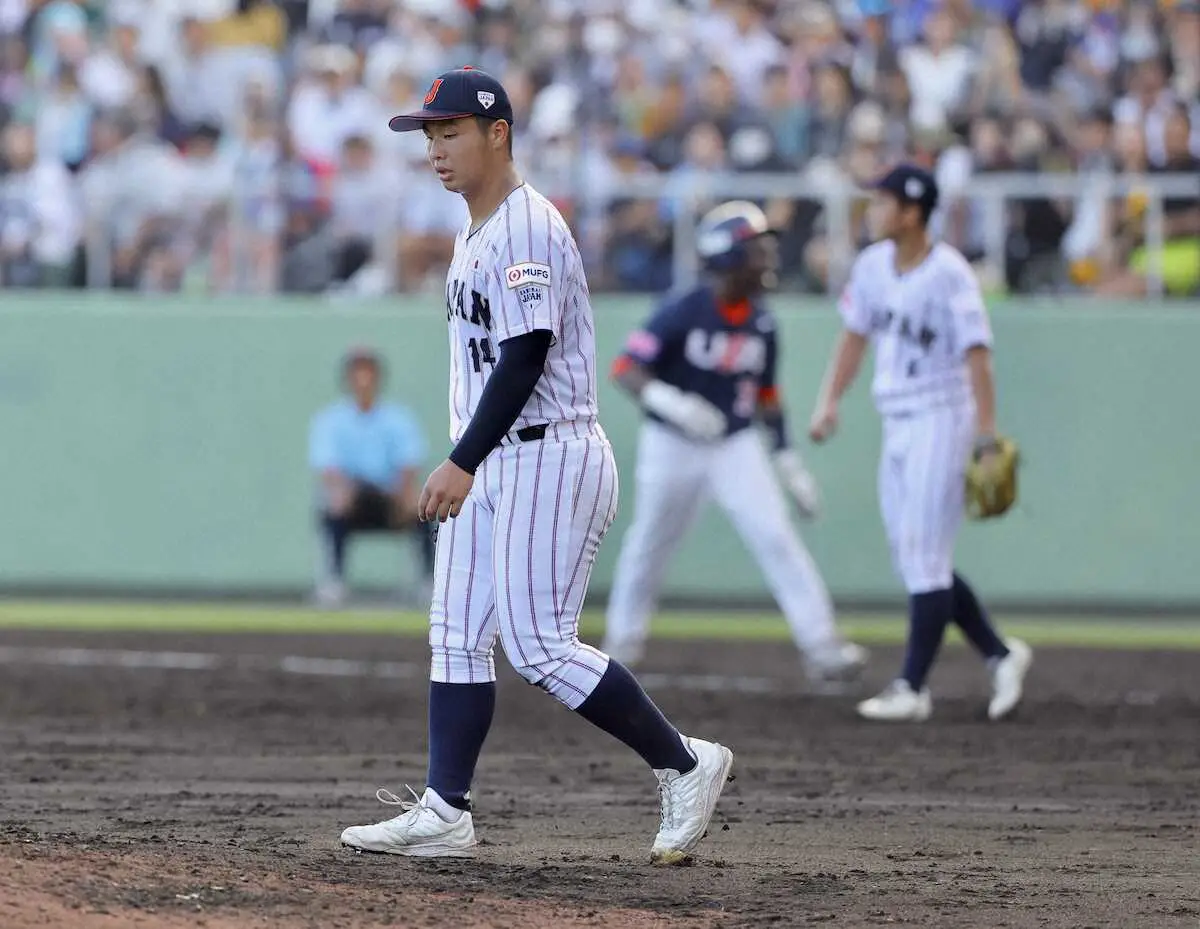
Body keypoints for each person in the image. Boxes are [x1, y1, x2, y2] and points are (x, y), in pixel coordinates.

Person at [338, 67, 733, 863]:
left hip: (546, 451)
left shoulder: (525, 226)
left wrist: (460, 459)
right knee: (454, 634)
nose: (436, 148)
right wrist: (469, 461)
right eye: (429, 134)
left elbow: (524, 359)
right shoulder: (476, 229)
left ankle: (686, 763)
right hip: (498, 458)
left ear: (498, 132)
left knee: (540, 645)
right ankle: (446, 809)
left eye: (450, 131)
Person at [601, 200, 867, 690]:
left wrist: (787, 460)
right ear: (725, 256)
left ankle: (822, 645)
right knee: (649, 544)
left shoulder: (762, 321)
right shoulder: (685, 307)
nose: (766, 259)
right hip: (672, 441)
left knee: (776, 536)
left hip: (734, 445)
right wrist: (674, 403)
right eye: (755, 249)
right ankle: (622, 644)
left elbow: (767, 395)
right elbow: (626, 370)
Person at [808, 164, 1032, 723]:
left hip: (942, 417)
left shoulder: (950, 273)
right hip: (897, 419)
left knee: (924, 554)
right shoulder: (872, 267)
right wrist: (829, 400)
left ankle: (912, 687)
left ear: (912, 211)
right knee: (913, 553)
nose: (874, 210)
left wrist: (986, 433)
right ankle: (1001, 654)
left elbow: (978, 355)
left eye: (883, 202)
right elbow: (854, 337)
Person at [308, 346, 435, 607]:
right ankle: (333, 582)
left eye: (368, 372)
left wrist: (406, 496)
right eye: (357, 372)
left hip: (389, 498)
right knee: (331, 508)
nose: (363, 379)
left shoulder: (399, 418)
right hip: (352, 499)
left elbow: (408, 465)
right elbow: (329, 469)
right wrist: (341, 493)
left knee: (423, 510)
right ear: (348, 379)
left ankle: (428, 582)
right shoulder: (330, 420)